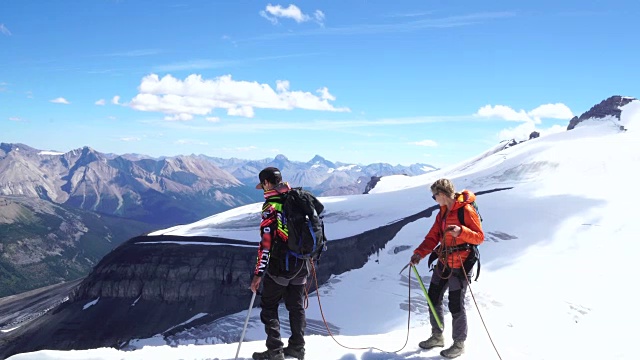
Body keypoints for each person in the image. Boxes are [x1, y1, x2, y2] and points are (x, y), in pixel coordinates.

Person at [410, 178, 484, 359]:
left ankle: (459, 344)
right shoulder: (442, 213)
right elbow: (433, 236)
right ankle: (437, 336)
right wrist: (419, 253)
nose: (434, 199)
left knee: (455, 304)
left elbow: (479, 237)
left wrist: (461, 232)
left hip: (461, 263)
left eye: (434, 196)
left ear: (442, 195)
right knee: (433, 297)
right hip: (444, 260)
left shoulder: (465, 210)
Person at [250, 167, 309, 360]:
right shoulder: (297, 199)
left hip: (281, 266)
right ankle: (297, 348)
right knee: (296, 306)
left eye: (263, 185)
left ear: (266, 183)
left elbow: (266, 244)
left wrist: (258, 273)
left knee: (269, 305)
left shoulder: (271, 207)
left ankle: (275, 351)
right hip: (301, 263)